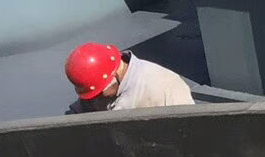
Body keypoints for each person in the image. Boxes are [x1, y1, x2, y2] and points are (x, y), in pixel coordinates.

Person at [64, 43, 194, 113]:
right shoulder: (102, 85)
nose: (96, 99)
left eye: (99, 94)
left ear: (114, 76)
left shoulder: (164, 89)